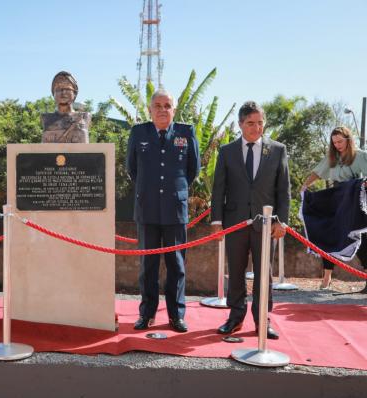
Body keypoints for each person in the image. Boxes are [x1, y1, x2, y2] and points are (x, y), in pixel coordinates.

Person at [211, 101, 290, 340]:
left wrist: (282, 221)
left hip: (267, 224)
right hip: (235, 222)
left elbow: (283, 190)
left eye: (260, 123)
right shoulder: (226, 151)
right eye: (250, 123)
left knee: (263, 273)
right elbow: (218, 190)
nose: (256, 128)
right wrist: (216, 221)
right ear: (240, 125)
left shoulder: (277, 150)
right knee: (235, 272)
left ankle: (262, 320)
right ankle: (235, 317)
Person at [126, 89, 200, 332]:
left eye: (167, 105)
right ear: (149, 109)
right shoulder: (139, 132)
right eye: (157, 105)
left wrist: (172, 191)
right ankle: (146, 314)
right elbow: (132, 169)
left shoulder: (185, 132)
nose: (162, 110)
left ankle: (176, 315)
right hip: (147, 209)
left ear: (174, 110)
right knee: (148, 265)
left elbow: (192, 170)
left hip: (174, 210)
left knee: (176, 265)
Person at [301, 126, 367, 290]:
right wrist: (304, 186)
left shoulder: (360, 155)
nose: (337, 145)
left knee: (362, 238)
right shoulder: (332, 156)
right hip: (337, 196)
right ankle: (326, 279)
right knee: (329, 233)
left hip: (355, 197)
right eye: (334, 142)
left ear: (348, 139)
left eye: (340, 141)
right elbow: (317, 172)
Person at [41, 71, 91, 143]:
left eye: (67, 89)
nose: (63, 92)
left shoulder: (84, 117)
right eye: (58, 89)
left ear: (74, 93)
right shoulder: (46, 118)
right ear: (53, 93)